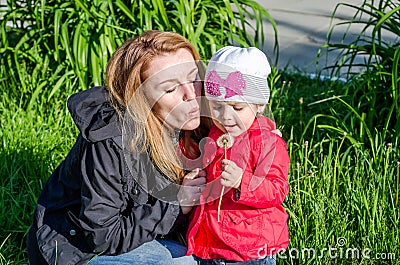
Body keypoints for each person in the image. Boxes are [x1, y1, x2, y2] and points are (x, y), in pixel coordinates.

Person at [26, 30, 212, 265]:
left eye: (193, 77)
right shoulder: (112, 140)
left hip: (142, 237)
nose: (190, 95)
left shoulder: (198, 120)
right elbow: (102, 236)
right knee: (183, 262)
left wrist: (261, 142)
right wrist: (176, 205)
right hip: (77, 251)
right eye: (170, 88)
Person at [186, 46, 290, 265]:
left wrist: (241, 182)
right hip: (212, 244)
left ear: (259, 105)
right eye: (217, 107)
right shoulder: (214, 135)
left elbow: (277, 189)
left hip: (249, 249)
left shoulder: (267, 142)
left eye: (237, 107)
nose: (226, 117)